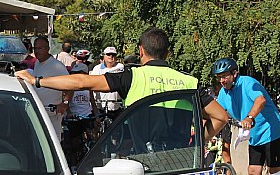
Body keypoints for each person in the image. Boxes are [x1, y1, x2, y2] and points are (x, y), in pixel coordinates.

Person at [15, 27, 228, 143]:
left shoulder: (131, 76)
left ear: (141, 51)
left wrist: (36, 81)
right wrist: (199, 143)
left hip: (142, 165)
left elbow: (81, 81)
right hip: (180, 164)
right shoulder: (189, 82)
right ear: (168, 53)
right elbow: (221, 117)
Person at [212, 57, 280, 175]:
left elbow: (260, 100)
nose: (222, 80)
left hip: (272, 132)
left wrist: (249, 117)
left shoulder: (247, 83)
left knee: (274, 172)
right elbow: (219, 112)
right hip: (254, 137)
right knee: (253, 171)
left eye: (225, 76)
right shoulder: (223, 93)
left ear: (234, 74)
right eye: (219, 77)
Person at [30, 36, 70, 138]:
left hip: (52, 114)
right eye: (35, 48)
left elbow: (70, 85)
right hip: (39, 112)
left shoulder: (57, 66)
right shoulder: (37, 64)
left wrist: (65, 103)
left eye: (40, 48)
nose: (37, 51)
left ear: (48, 49)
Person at [63, 62, 98, 166]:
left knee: (93, 140)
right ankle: (74, 164)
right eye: (75, 73)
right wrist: (69, 113)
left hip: (87, 116)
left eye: (79, 73)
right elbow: (67, 103)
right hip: (75, 118)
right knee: (74, 143)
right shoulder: (72, 87)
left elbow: (92, 101)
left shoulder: (88, 87)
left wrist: (96, 115)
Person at [90, 46, 125, 120]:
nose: (111, 56)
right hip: (100, 106)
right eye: (108, 54)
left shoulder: (121, 67)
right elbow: (91, 86)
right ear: (104, 56)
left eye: (113, 54)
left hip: (116, 106)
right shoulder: (97, 68)